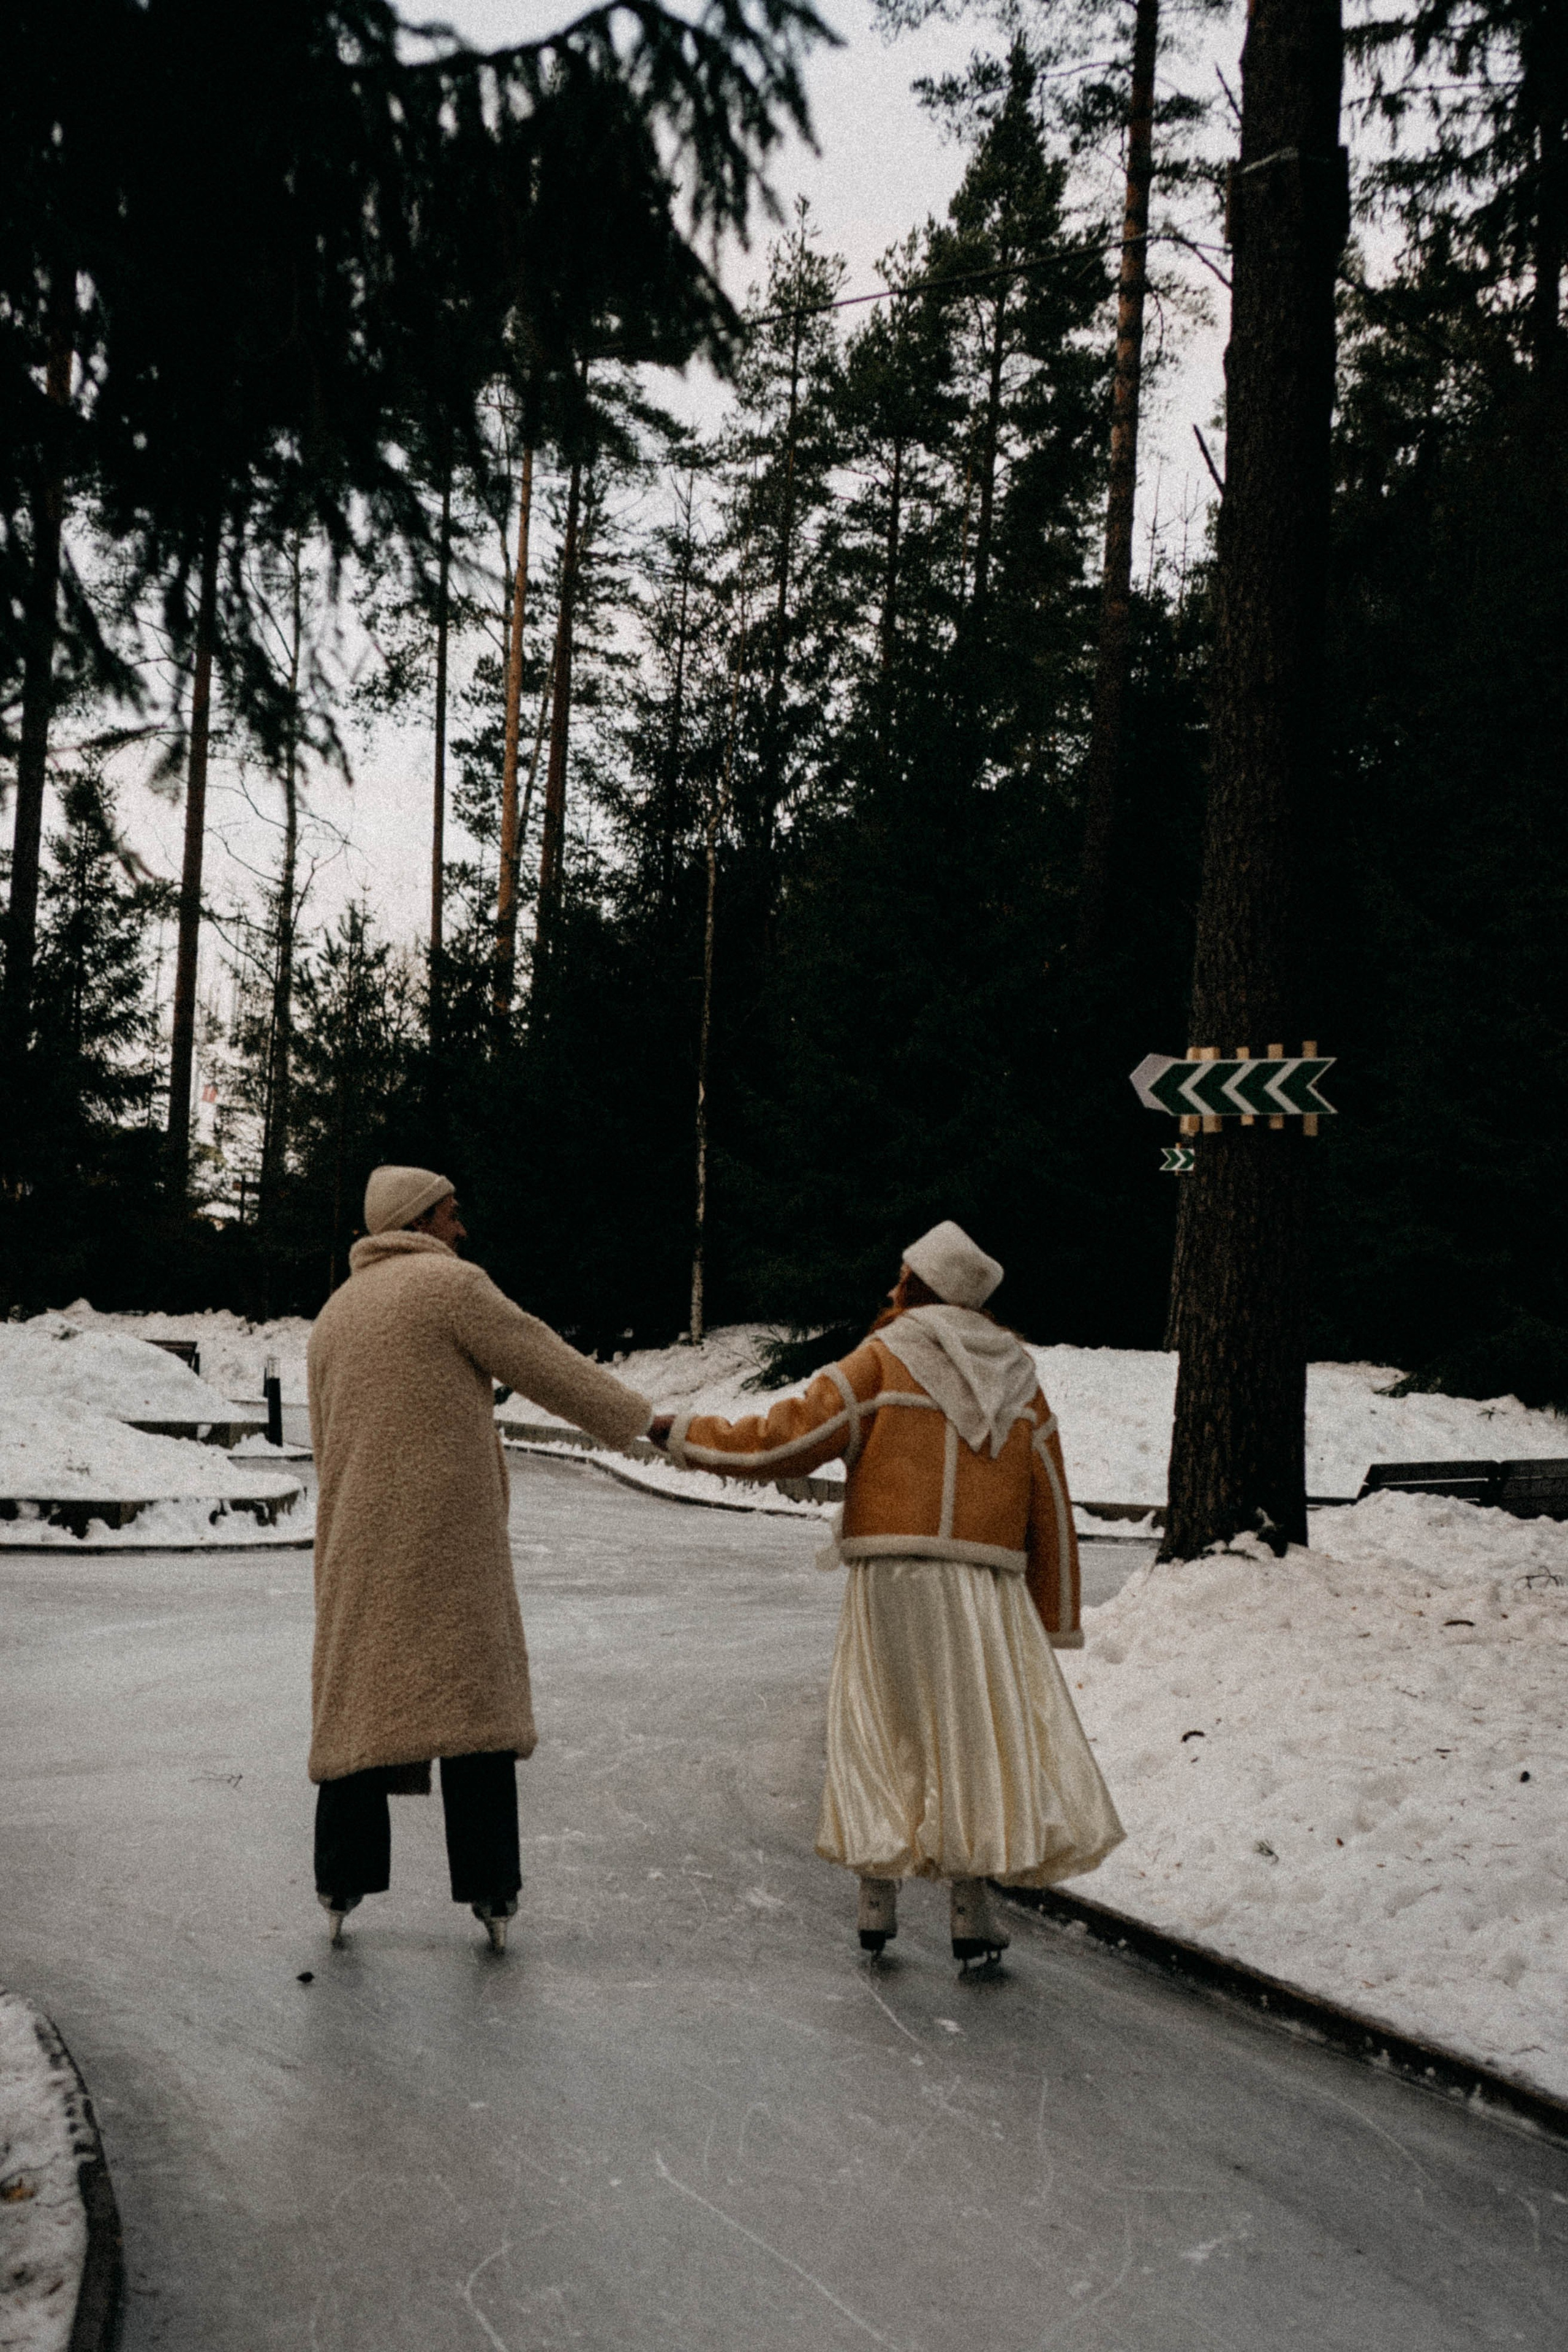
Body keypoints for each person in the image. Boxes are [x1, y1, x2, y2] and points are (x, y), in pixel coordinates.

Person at [649, 1221, 1123, 1964]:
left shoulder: (882, 1359)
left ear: (916, 1285)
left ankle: (877, 1896)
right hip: (985, 1582)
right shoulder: (1020, 1375)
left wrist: (683, 1433)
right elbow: (1050, 1501)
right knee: (969, 1737)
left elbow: (784, 1439)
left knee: (880, 1722)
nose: (889, 1287)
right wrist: (1053, 1613)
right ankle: (970, 1912)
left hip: (893, 1573)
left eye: (900, 1276)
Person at [307, 1164, 653, 1951]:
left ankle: (340, 1877)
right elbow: (544, 1361)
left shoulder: (335, 1313)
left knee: (360, 1703)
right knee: (474, 1708)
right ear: (421, 1222)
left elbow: (325, 1447)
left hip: (358, 1545)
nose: (461, 1230)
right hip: (447, 1541)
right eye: (452, 1214)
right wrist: (638, 1419)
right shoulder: (449, 1287)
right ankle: (491, 1887)